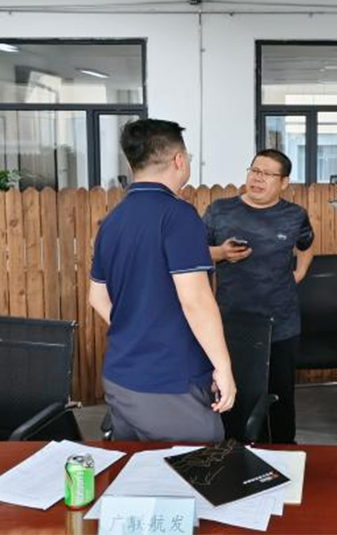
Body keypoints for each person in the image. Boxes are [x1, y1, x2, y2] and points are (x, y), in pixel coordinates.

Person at [88, 119, 236, 442]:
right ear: (179, 160)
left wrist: (138, 330)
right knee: (200, 464)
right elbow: (195, 300)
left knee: (138, 467)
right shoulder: (179, 216)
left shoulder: (112, 221)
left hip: (120, 377)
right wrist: (223, 367)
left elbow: (97, 297)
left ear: (131, 165)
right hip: (168, 382)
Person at [203, 149, 314, 443]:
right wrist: (221, 253)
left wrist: (300, 272)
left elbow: (305, 246)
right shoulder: (220, 210)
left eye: (267, 174)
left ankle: (284, 455)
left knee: (280, 401)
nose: (258, 178)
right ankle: (233, 455)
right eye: (254, 171)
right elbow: (196, 253)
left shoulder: (295, 215)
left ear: (284, 182)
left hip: (281, 325)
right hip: (231, 324)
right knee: (232, 399)